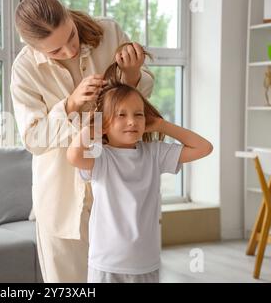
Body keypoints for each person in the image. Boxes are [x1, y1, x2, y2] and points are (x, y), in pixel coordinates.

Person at [10, 0, 154, 283]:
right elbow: (33, 139)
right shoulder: (24, 69)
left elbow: (141, 101)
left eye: (71, 37)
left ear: (69, 15)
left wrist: (132, 74)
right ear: (34, 48)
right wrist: (70, 105)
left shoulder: (109, 33)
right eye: (56, 51)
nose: (70, 50)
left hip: (116, 189)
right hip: (61, 198)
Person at [66, 57, 213, 283]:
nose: (132, 122)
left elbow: (204, 148)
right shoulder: (101, 156)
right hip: (106, 263)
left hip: (146, 263)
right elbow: (73, 156)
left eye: (138, 114)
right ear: (104, 123)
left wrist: (163, 125)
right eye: (121, 115)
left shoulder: (154, 154)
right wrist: (93, 125)